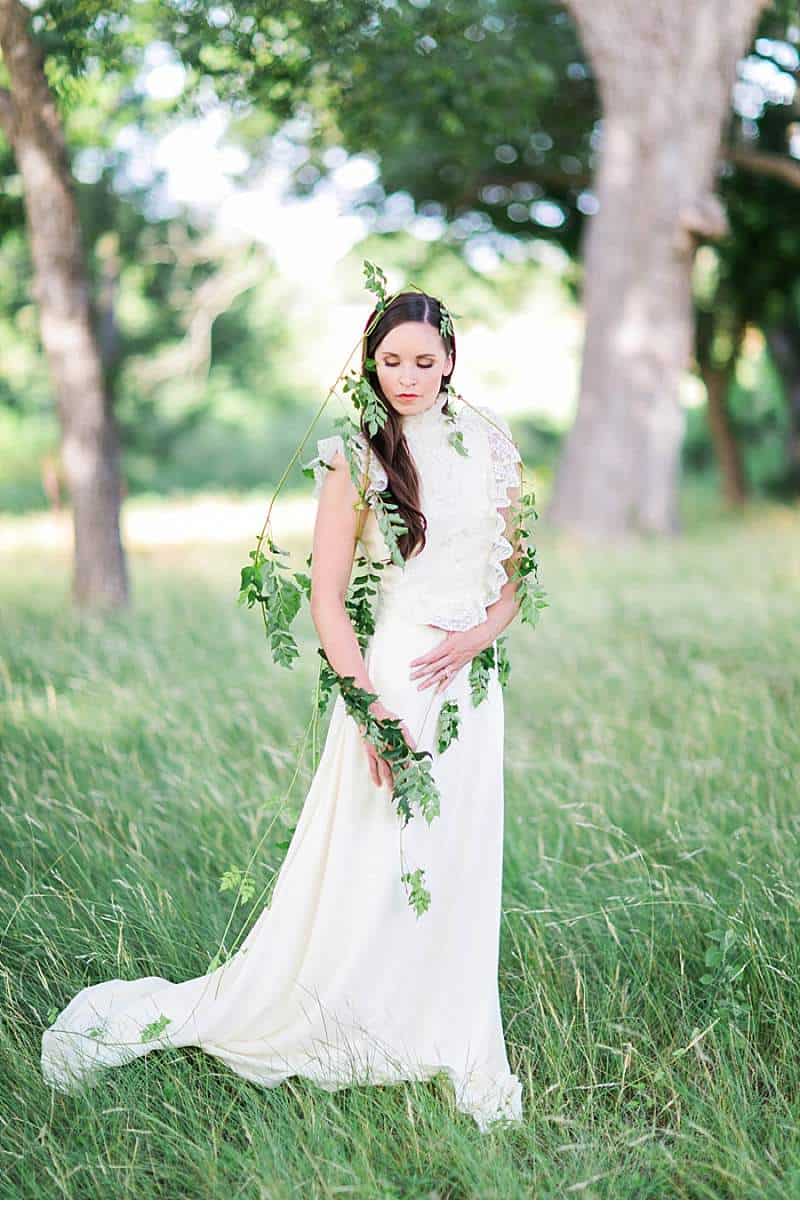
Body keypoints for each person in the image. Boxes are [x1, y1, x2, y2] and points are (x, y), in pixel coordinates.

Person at [40, 289, 525, 1133]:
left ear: (450, 357)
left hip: (471, 693)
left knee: (458, 858)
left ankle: (441, 1020)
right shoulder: (357, 458)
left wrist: (472, 641)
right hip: (394, 685)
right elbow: (329, 605)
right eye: (389, 361)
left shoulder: (493, 445)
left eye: (422, 359)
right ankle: (343, 1010)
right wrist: (375, 716)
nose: (407, 376)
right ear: (370, 366)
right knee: (376, 859)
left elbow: (516, 584)